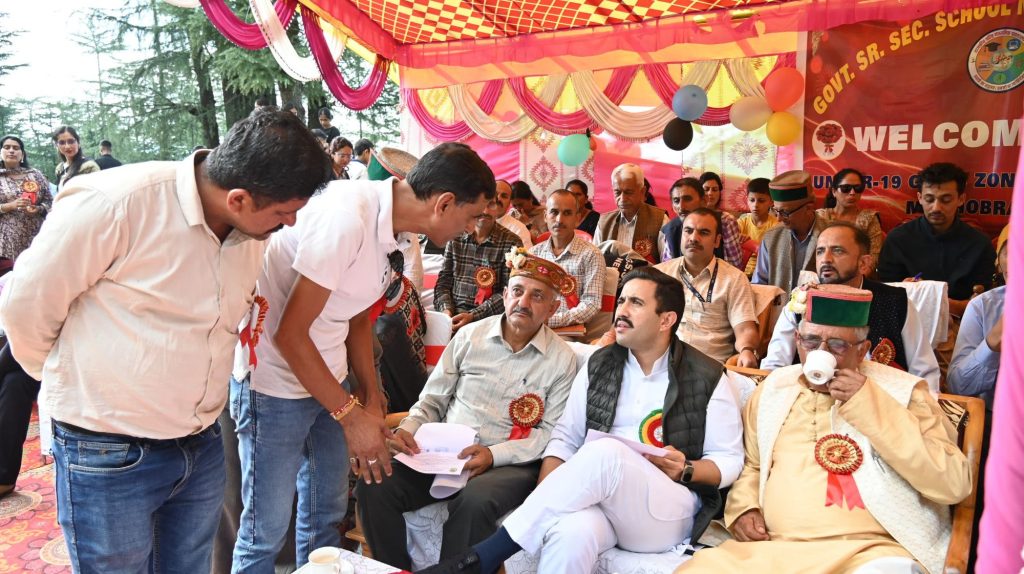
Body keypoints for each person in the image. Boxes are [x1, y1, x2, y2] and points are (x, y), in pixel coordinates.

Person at [0, 110, 332, 573]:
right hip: (108, 452)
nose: (291, 224)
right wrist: (76, 386)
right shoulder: (116, 204)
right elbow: (25, 309)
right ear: (238, 199)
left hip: (200, 444)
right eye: (283, 213)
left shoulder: (251, 228)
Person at [228, 142, 494, 572]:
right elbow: (290, 335)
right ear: (444, 203)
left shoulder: (397, 232)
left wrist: (371, 398)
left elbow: (357, 317)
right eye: (471, 216)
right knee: (265, 533)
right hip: (275, 383)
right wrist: (351, 417)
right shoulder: (347, 217)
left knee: (325, 517)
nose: (469, 229)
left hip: (329, 379)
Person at [418, 266, 743, 574]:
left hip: (667, 510)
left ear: (666, 319)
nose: (621, 310)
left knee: (606, 452)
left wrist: (686, 468)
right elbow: (565, 438)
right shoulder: (601, 364)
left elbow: (729, 460)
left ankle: (485, 555)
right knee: (569, 534)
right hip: (601, 504)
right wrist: (549, 497)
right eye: (621, 300)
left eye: (636, 303)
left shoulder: (707, 376)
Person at [679, 284, 971, 574]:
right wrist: (745, 508)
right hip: (776, 550)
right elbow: (752, 464)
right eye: (810, 340)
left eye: (837, 345)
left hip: (871, 552)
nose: (820, 352)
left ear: (863, 350)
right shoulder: (773, 389)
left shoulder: (904, 392)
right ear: (797, 340)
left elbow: (953, 483)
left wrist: (870, 404)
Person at [357, 252, 578, 571]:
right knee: (376, 483)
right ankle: (394, 570)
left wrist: (493, 455)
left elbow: (550, 434)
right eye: (517, 291)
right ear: (505, 294)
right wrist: (407, 429)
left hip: (508, 463)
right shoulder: (469, 336)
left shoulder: (561, 359)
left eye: (537, 296)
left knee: (475, 501)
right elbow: (432, 401)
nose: (523, 302)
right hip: (445, 452)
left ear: (553, 309)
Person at [761, 222, 940, 393]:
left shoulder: (896, 302)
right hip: (811, 401)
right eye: (820, 251)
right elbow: (774, 367)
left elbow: (925, 374)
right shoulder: (801, 301)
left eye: (838, 251)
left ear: (864, 263)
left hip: (880, 403)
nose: (826, 259)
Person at [877, 162, 995, 374]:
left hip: (961, 329)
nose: (936, 208)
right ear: (920, 198)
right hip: (906, 325)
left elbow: (982, 305)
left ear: (961, 199)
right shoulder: (898, 239)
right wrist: (907, 291)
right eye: (930, 199)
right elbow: (884, 295)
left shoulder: (979, 244)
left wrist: (933, 299)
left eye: (946, 200)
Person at [655, 208, 759, 366]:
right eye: (688, 231)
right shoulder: (660, 274)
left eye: (703, 233)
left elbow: (745, 328)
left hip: (709, 368)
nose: (693, 238)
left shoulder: (734, 279)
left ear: (717, 241)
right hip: (662, 363)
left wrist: (746, 350)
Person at [434, 195, 523, 332]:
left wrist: (473, 316)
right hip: (452, 316)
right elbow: (443, 282)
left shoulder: (512, 242)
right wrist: (446, 312)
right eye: (481, 205)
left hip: (490, 320)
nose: (485, 211)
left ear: (498, 208)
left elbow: (509, 291)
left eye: (491, 204)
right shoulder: (455, 236)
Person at [528, 189, 604, 328]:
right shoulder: (533, 254)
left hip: (568, 331)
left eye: (567, 213)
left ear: (577, 218)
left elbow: (592, 304)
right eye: (554, 212)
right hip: (533, 327)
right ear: (545, 216)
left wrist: (550, 321)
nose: (559, 220)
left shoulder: (591, 254)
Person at [752, 170, 827, 293]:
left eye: (785, 212)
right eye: (775, 211)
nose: (779, 219)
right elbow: (759, 286)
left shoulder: (831, 235)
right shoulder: (771, 237)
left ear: (808, 208)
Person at [593, 163, 669, 263]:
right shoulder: (604, 222)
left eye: (628, 192)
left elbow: (668, 264)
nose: (622, 199)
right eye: (617, 192)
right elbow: (595, 260)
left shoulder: (660, 219)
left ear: (642, 192)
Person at [0, 135, 53, 264]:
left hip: (37, 236)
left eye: (16, 148)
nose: (11, 151)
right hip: (7, 240)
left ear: (22, 154)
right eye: (7, 147)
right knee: (11, 273)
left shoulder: (35, 174)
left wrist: (38, 209)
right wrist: (10, 205)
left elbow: (50, 201)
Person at [816, 168, 882, 267]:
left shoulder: (869, 219)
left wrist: (855, 274)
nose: (852, 192)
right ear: (834, 191)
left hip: (858, 272)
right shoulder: (820, 217)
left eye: (858, 188)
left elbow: (873, 257)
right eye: (845, 188)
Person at [735, 178, 779, 276]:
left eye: (761, 201)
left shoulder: (775, 226)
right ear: (747, 199)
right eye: (752, 200)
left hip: (764, 273)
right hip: (740, 272)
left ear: (771, 202)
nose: (755, 205)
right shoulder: (742, 222)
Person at [659, 177, 703, 261]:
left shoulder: (723, 223)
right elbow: (667, 266)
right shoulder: (668, 231)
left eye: (687, 199)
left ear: (703, 201)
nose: (681, 207)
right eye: (676, 201)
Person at [51, 126, 100, 191]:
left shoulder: (89, 167)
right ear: (57, 146)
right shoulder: (59, 169)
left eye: (71, 141)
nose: (67, 146)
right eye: (62, 142)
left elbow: (97, 191)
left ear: (78, 143)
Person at [494, 180, 533, 248]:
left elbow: (526, 254)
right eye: (495, 194)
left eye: (504, 196)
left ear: (509, 203)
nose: (498, 198)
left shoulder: (519, 229)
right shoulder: (475, 222)